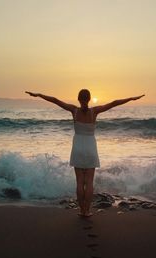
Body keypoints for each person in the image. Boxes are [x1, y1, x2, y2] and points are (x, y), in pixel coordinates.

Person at [25, 89, 144, 217]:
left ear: (78, 99)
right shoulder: (94, 112)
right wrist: (131, 98)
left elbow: (55, 100)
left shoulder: (74, 111)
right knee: (89, 182)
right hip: (91, 148)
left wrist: (39, 95)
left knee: (80, 182)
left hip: (77, 148)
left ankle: (81, 210)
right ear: (89, 99)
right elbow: (114, 103)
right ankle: (87, 211)